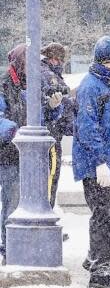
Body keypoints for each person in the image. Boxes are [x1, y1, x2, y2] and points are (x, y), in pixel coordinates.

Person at [73, 36, 110, 288]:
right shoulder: (91, 87)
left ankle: (95, 255)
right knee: (103, 215)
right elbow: (87, 128)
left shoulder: (108, 85)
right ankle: (100, 268)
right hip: (97, 164)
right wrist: (99, 162)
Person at [0, 44, 64, 263]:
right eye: (29, 62)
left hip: (34, 158)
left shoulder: (33, 84)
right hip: (10, 155)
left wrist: (54, 107)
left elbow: (41, 114)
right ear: (19, 62)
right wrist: (17, 132)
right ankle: (9, 250)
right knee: (12, 202)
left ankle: (30, 249)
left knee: (37, 202)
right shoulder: (4, 85)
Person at [40, 42, 74, 211]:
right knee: (51, 176)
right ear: (54, 59)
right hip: (51, 133)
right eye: (60, 59)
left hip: (52, 131)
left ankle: (47, 212)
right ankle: (47, 214)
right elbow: (63, 97)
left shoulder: (46, 72)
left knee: (49, 177)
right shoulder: (48, 75)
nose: (61, 63)